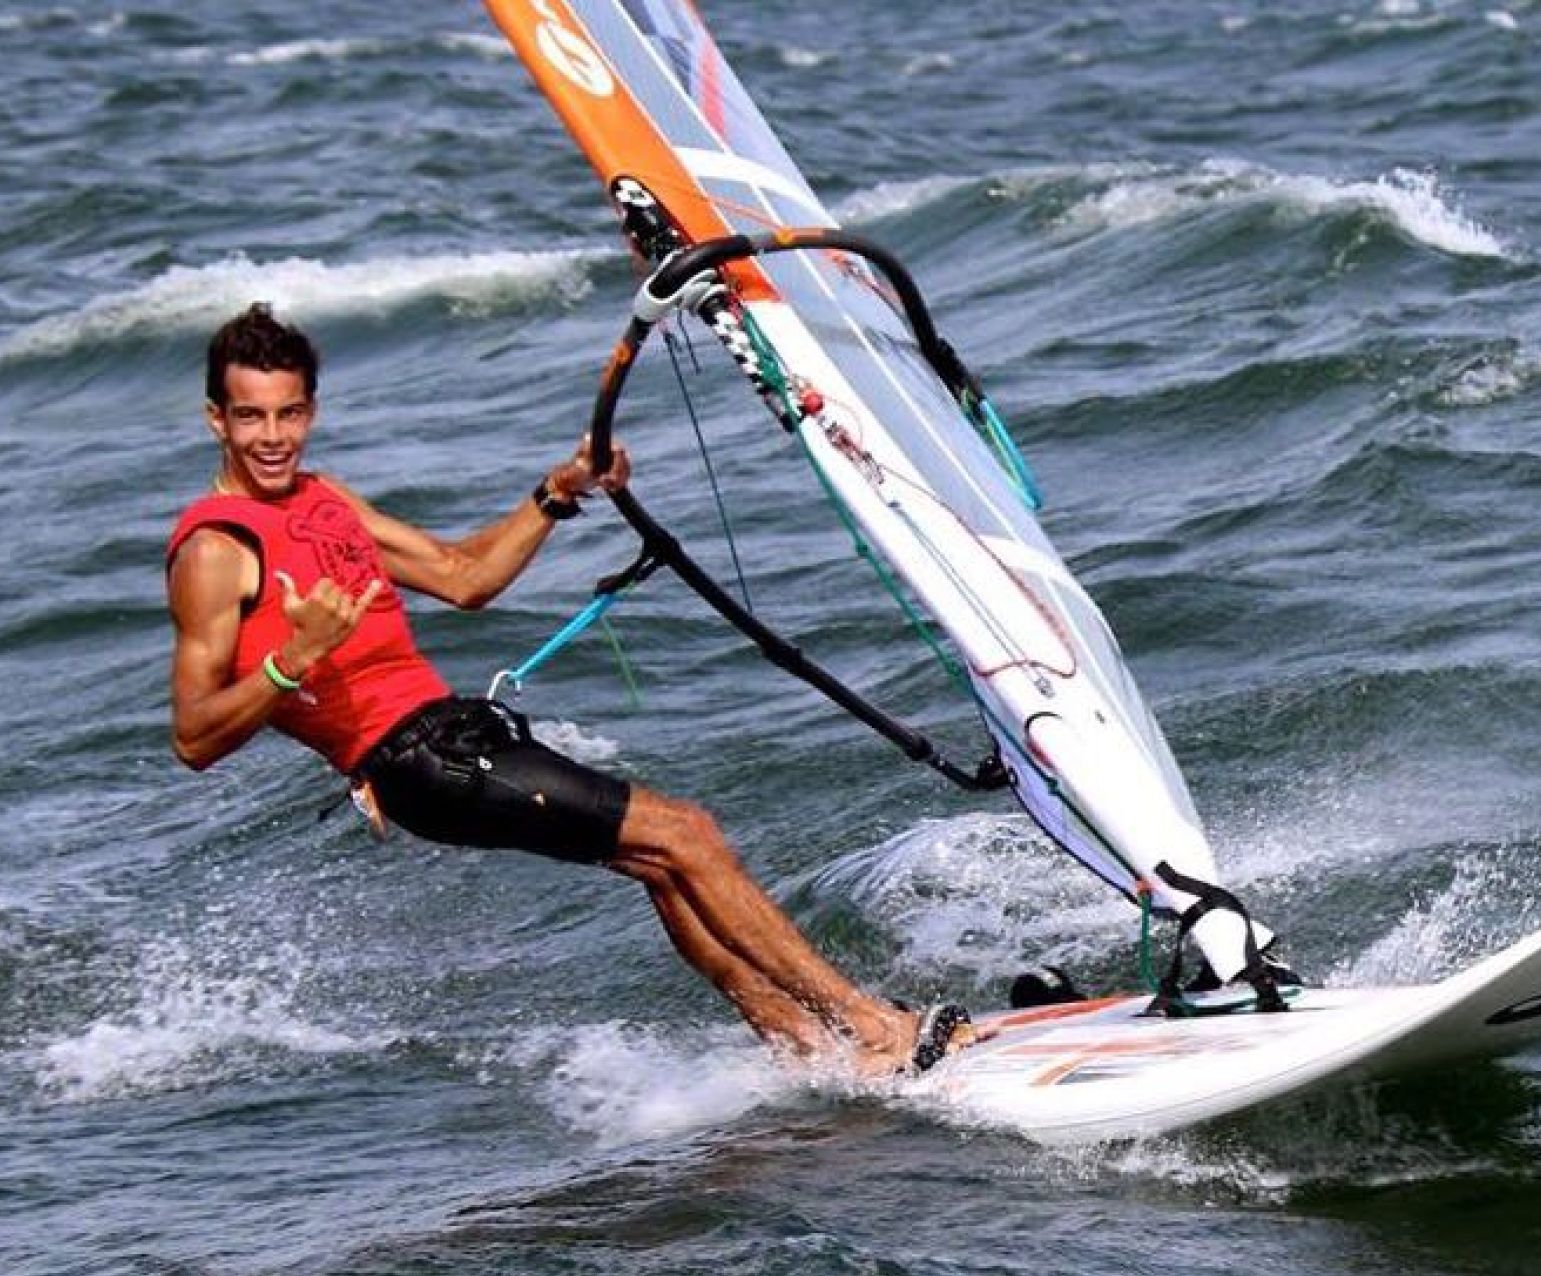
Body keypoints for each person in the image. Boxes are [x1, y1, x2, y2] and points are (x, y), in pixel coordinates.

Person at [167, 302, 973, 1074]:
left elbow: (464, 576)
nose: (273, 437)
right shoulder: (214, 550)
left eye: (289, 414)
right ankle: (876, 1029)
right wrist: (293, 660)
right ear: (216, 421)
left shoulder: (324, 498)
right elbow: (194, 737)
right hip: (415, 762)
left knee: (661, 861)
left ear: (310, 410)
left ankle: (798, 1041)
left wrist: (559, 490)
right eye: (250, 417)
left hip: (455, 734)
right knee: (685, 834)